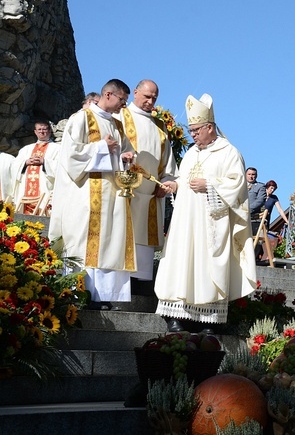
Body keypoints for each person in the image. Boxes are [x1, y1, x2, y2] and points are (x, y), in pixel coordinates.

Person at [154, 93, 257, 333]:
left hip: (212, 224)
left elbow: (237, 185)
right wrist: (175, 185)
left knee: (207, 266)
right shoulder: (191, 153)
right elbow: (183, 178)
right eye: (191, 130)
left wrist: (209, 185)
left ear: (210, 127)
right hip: (185, 223)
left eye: (196, 130)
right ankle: (176, 316)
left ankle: (207, 319)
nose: (193, 135)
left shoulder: (229, 152)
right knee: (181, 263)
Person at [49, 79, 137, 310]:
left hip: (112, 195)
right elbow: (70, 155)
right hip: (86, 193)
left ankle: (103, 295)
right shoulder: (82, 119)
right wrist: (99, 147)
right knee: (84, 241)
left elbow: (126, 151)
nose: (123, 106)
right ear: (108, 94)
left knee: (110, 242)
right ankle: (82, 294)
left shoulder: (117, 126)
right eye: (121, 100)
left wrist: (127, 157)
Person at [119, 79, 178, 282]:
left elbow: (168, 161)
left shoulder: (160, 125)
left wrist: (167, 181)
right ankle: (121, 278)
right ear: (135, 93)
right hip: (125, 191)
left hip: (152, 195)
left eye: (154, 98)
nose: (150, 101)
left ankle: (141, 280)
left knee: (145, 238)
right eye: (147, 96)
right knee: (123, 234)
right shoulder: (121, 116)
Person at [12, 120, 60, 215]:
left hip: (45, 186)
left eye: (45, 129)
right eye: (39, 129)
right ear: (35, 132)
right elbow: (14, 166)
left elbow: (62, 166)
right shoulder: (26, 149)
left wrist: (45, 162)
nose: (42, 132)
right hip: (25, 189)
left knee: (44, 211)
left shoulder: (58, 148)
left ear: (50, 131)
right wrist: (25, 163)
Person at [258, 180, 290, 264]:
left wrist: (287, 221)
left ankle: (261, 258)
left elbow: (280, 210)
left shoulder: (274, 198)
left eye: (274, 189)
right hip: (257, 220)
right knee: (257, 239)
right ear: (267, 187)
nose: (272, 190)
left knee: (263, 240)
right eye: (271, 188)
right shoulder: (261, 195)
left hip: (266, 223)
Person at [246, 167, 266, 235]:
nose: (251, 176)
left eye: (253, 174)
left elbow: (260, 200)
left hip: (254, 219)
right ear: (245, 175)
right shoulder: (239, 186)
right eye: (249, 174)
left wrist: (248, 209)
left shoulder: (260, 186)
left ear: (256, 176)